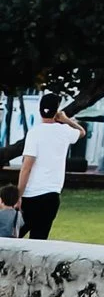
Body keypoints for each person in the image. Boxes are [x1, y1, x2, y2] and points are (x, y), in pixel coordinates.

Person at [10, 93, 83, 241]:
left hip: (31, 194)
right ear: (57, 111)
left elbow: (26, 167)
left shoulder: (35, 133)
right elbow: (81, 132)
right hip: (51, 194)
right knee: (39, 240)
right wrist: (66, 120)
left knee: (14, 237)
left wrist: (18, 195)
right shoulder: (64, 131)